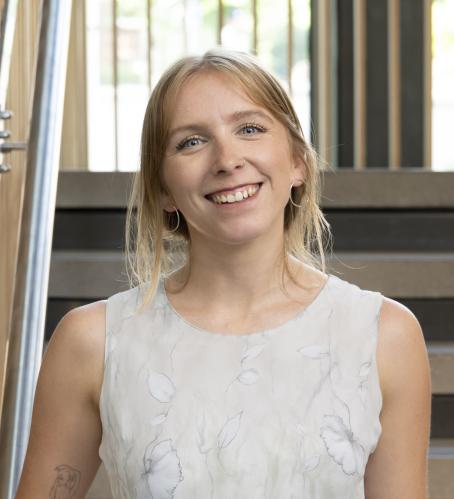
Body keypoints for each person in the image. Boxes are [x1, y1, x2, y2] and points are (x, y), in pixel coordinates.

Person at [15, 48, 431, 499]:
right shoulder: (92, 342)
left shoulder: (383, 336)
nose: (227, 160)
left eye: (249, 129)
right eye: (191, 142)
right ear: (163, 190)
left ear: (298, 161)